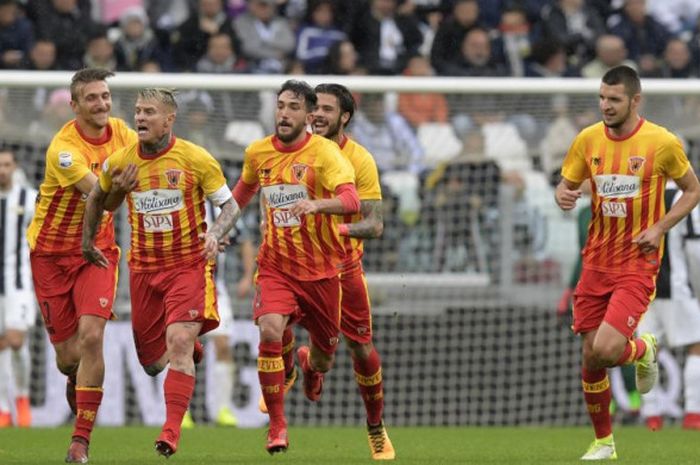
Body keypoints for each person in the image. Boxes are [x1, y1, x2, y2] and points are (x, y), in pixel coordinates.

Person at [81, 88, 239, 457]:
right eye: (137, 111)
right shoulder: (120, 161)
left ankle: (170, 432)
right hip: (144, 270)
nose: (140, 118)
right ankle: (191, 345)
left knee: (178, 345)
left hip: (187, 265)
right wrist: (88, 242)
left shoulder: (195, 158)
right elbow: (96, 199)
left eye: (149, 112)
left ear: (169, 119)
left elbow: (229, 206)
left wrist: (215, 234)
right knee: (152, 364)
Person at [555, 65, 700, 460]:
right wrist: (563, 196)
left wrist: (660, 228)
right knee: (590, 356)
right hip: (595, 262)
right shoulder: (587, 140)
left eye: (614, 99)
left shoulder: (662, 142)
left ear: (635, 101)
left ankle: (642, 349)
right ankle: (604, 442)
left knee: (603, 349)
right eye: (602, 97)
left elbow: (692, 190)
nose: (605, 106)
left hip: (637, 264)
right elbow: (567, 185)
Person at [230, 79, 359, 454]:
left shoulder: (325, 153)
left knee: (324, 355)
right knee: (270, 330)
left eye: (292, 107)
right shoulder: (258, 153)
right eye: (280, 105)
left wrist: (317, 206)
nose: (284, 113)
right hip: (276, 266)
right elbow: (241, 195)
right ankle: (277, 426)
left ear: (307, 115)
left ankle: (309, 366)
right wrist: (218, 231)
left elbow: (351, 200)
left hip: (321, 271)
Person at [26, 68, 137, 462]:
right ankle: (75, 376)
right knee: (69, 357)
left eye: (105, 96)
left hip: (97, 250)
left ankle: (80, 442)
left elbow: (151, 162)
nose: (102, 104)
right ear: (74, 106)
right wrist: (121, 188)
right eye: (92, 98)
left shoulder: (124, 133)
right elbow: (102, 200)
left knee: (92, 338)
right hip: (51, 256)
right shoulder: (64, 150)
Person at [313, 83, 395, 460]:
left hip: (342, 267)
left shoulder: (359, 160)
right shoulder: (291, 151)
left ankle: (375, 427)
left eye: (326, 109)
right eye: (313, 107)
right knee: (270, 323)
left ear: (344, 116)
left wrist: (339, 228)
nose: (316, 114)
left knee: (360, 349)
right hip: (291, 264)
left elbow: (375, 225)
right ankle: (288, 373)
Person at [182, 201, 255, 428]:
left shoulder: (219, 206)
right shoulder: (182, 203)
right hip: (184, 285)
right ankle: (181, 411)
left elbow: (244, 241)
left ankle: (222, 408)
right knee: (182, 345)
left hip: (216, 286)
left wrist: (247, 275)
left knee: (223, 345)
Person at [639, 183, 700, 431]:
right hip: (677, 287)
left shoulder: (638, 193)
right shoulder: (684, 196)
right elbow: (694, 248)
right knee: (697, 346)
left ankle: (651, 413)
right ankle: (693, 413)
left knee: (646, 350)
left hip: (640, 290)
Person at [0, 148, 36, 428]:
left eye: (7, 164)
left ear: (15, 167)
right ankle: (3, 411)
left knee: (15, 340)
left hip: (19, 283)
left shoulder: (29, 198)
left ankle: (22, 398)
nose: (2, 170)